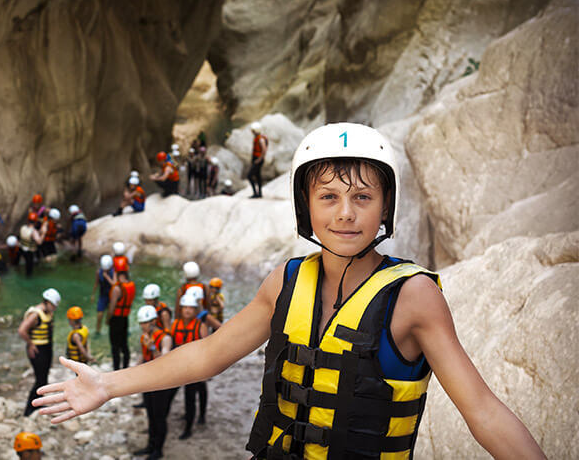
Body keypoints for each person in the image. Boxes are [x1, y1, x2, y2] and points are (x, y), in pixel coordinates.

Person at [32, 123, 546, 460]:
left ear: (385, 208)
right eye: (329, 197)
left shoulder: (413, 297)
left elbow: (481, 410)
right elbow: (208, 355)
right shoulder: (286, 281)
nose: (346, 213)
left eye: (363, 197)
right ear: (307, 207)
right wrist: (107, 385)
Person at [134, 305, 175, 460]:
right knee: (150, 414)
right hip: (148, 381)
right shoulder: (144, 337)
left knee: (159, 416)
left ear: (152, 322)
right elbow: (143, 357)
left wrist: (152, 346)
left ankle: (158, 450)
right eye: (141, 323)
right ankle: (150, 445)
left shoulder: (165, 338)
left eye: (145, 323)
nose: (142, 326)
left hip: (162, 382)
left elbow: (164, 360)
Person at [171, 293, 209, 440]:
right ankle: (190, 417)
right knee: (185, 395)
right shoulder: (175, 325)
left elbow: (207, 348)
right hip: (180, 366)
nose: (187, 310)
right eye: (185, 307)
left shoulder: (201, 326)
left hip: (195, 367)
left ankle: (193, 423)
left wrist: (205, 369)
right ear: (181, 309)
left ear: (195, 310)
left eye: (190, 308)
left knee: (192, 395)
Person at [18, 288, 60, 416]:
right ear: (47, 302)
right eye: (53, 305)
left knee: (44, 378)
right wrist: (30, 344)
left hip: (46, 348)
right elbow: (22, 330)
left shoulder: (47, 312)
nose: (54, 308)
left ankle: (39, 403)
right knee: (40, 379)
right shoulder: (36, 314)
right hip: (37, 350)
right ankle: (29, 409)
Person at [107, 262, 136, 370]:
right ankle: (125, 367)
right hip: (125, 318)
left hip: (116, 319)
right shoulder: (131, 285)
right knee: (124, 344)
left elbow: (112, 307)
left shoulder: (117, 289)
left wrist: (108, 319)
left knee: (115, 346)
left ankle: (116, 369)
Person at [18, 213, 45, 278]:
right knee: (29, 270)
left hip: (22, 249)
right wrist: (43, 234)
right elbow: (39, 242)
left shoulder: (23, 227)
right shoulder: (34, 232)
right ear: (35, 222)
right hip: (30, 251)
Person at [94, 255, 115, 334]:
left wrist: (107, 277)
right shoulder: (99, 272)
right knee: (99, 314)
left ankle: (109, 329)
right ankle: (98, 330)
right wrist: (93, 294)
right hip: (103, 296)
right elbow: (96, 283)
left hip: (112, 295)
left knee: (110, 315)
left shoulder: (114, 272)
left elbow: (114, 284)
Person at [247, 121, 268, 198]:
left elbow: (264, 149)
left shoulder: (260, 139)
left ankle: (256, 193)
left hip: (258, 160)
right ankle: (259, 193)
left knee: (250, 176)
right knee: (257, 176)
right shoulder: (258, 137)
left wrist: (259, 159)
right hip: (257, 159)